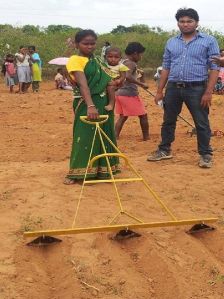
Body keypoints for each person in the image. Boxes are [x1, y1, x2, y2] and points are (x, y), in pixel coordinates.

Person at [147, 8, 220, 168]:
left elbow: (214, 67)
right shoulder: (171, 42)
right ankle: (164, 150)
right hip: (173, 88)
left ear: (196, 23)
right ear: (178, 23)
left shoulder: (208, 40)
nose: (185, 24)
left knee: (201, 122)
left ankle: (205, 154)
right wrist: (160, 91)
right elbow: (166, 67)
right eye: (182, 21)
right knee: (168, 120)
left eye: (189, 21)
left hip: (197, 88)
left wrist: (208, 92)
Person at [64, 29, 120, 184]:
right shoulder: (75, 60)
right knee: (84, 135)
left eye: (92, 43)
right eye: (85, 43)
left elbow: (110, 80)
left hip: (104, 103)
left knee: (103, 135)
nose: (89, 46)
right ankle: (76, 173)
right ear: (77, 44)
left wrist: (116, 84)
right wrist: (90, 105)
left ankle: (102, 171)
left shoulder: (98, 61)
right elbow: (83, 85)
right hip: (86, 102)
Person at [115, 42, 150, 141]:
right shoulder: (131, 63)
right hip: (128, 94)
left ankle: (115, 136)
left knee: (123, 116)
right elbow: (128, 77)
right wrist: (142, 84)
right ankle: (146, 137)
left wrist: (141, 77)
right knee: (143, 115)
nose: (141, 57)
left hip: (120, 93)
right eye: (140, 54)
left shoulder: (123, 61)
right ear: (135, 53)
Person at [104, 46, 129, 111]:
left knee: (110, 87)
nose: (113, 59)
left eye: (116, 57)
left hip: (115, 84)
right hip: (105, 82)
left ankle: (111, 104)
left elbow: (123, 76)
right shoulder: (104, 65)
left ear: (120, 58)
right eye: (110, 57)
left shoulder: (121, 66)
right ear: (105, 57)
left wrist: (117, 81)